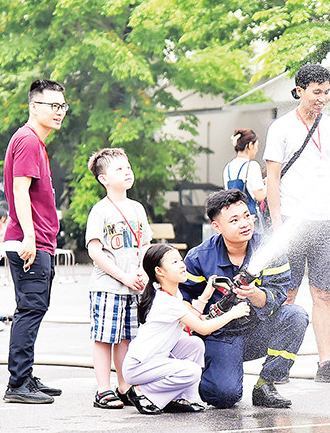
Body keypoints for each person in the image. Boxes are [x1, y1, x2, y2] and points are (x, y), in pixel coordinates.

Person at [263, 63, 330, 384]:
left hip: (327, 221)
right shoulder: (281, 128)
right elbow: (272, 179)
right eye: (317, 92)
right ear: (299, 91)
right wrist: (278, 227)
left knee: (323, 294)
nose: (323, 98)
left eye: (327, 92)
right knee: (286, 293)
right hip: (291, 220)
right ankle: (277, 365)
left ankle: (326, 364)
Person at [179, 190, 308, 408]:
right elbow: (181, 297)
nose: (244, 223)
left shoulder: (269, 250)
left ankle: (265, 384)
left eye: (247, 216)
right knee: (224, 396)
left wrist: (254, 294)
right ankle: (207, 369)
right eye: (235, 220)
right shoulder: (199, 257)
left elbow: (278, 295)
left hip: (256, 330)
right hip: (220, 335)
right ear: (217, 227)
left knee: (296, 316)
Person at [122, 244, 250, 415]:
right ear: (159, 271)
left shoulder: (173, 295)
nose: (182, 265)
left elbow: (195, 318)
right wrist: (233, 313)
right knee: (192, 371)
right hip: (139, 367)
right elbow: (203, 328)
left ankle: (181, 398)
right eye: (175, 262)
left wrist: (207, 293)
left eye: (181, 260)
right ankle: (142, 392)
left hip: (156, 360)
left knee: (194, 344)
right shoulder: (166, 302)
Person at [2, 79, 67, 404]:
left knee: (33, 308)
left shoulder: (34, 142)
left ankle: (25, 375)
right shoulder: (27, 140)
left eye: (62, 106)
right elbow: (19, 189)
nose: (59, 112)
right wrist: (30, 236)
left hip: (38, 241)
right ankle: (18, 384)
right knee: (30, 309)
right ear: (33, 106)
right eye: (52, 105)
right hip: (30, 243)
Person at [85, 148, 153, 408]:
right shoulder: (100, 210)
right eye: (119, 169)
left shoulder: (137, 208)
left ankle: (125, 386)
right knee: (104, 338)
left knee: (127, 338)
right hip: (108, 286)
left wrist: (142, 271)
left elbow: (145, 243)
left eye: (128, 167)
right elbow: (94, 250)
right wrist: (123, 276)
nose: (127, 172)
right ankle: (103, 389)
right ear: (103, 179)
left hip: (133, 286)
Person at [223, 129, 266, 230]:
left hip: (234, 221)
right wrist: (268, 184)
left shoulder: (228, 167)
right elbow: (259, 196)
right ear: (250, 145)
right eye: (256, 146)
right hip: (250, 219)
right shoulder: (252, 165)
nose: (256, 150)